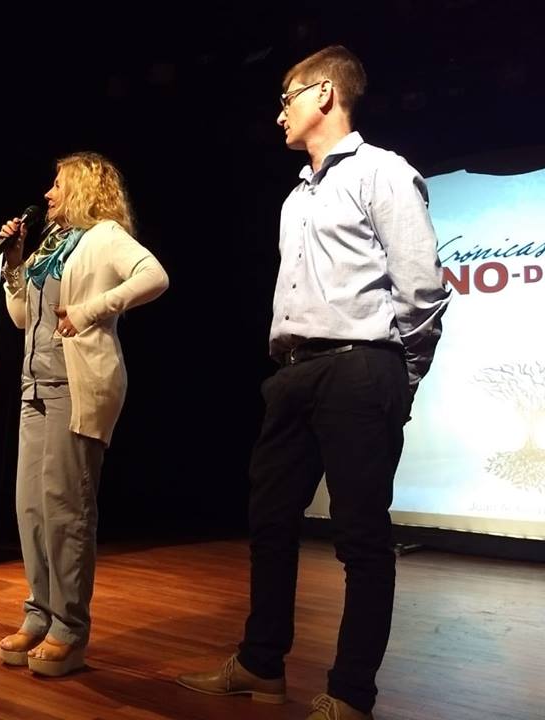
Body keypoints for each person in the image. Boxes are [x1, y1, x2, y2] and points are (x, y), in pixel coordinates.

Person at [176, 46, 451, 719]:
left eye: (287, 98)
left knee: (360, 536)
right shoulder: (295, 198)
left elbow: (421, 289)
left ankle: (351, 695)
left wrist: (400, 377)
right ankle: (260, 664)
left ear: (324, 93)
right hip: (292, 372)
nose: (278, 115)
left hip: (361, 367)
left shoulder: (384, 172)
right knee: (269, 523)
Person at [0, 151, 169, 677]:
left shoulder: (104, 237)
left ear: (82, 189)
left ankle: (69, 629)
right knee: (30, 508)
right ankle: (39, 614)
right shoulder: (52, 243)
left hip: (76, 387)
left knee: (65, 511)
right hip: (33, 388)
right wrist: (14, 265)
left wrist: (92, 310)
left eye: (57, 184)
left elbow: (155, 276)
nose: (47, 193)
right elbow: (22, 318)